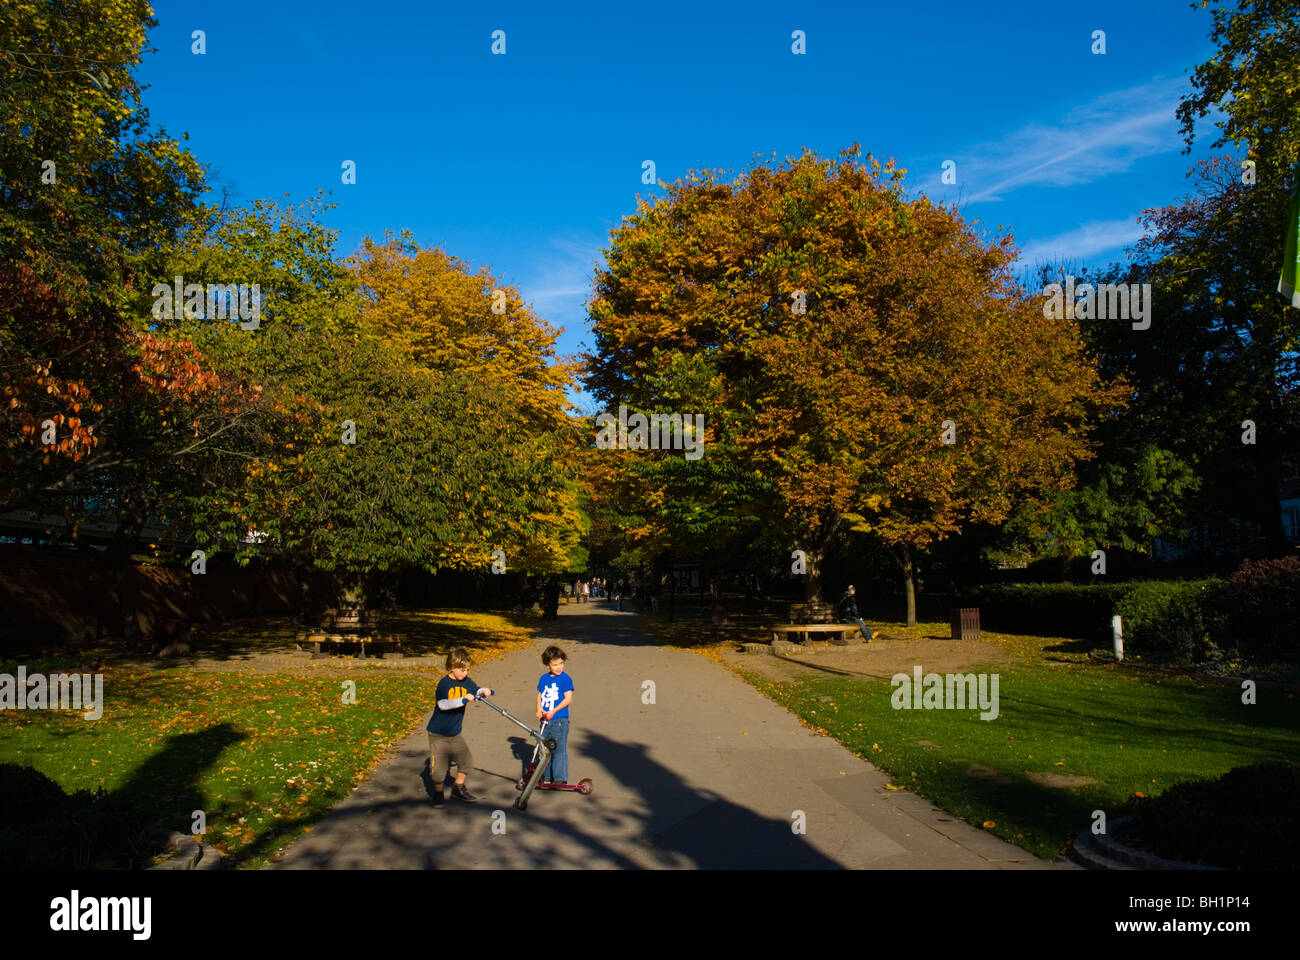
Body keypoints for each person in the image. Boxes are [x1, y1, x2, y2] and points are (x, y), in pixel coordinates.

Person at [427, 647, 493, 806]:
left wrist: (485, 691)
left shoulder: (466, 682)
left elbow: (475, 691)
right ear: (452, 667)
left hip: (455, 733)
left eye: (467, 670)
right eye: (462, 670)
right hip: (438, 733)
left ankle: (458, 787)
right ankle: (438, 793)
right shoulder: (444, 684)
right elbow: (443, 705)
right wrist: (463, 700)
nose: (465, 673)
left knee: (467, 762)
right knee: (438, 771)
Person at [536, 645, 575, 784]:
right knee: (545, 750)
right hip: (545, 721)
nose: (559, 667)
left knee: (558, 749)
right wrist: (538, 708)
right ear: (548, 665)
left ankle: (560, 778)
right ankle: (546, 776)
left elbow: (568, 698)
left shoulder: (565, 679)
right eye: (555, 665)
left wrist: (554, 710)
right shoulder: (544, 678)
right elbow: (540, 694)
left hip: (559, 720)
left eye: (561, 663)